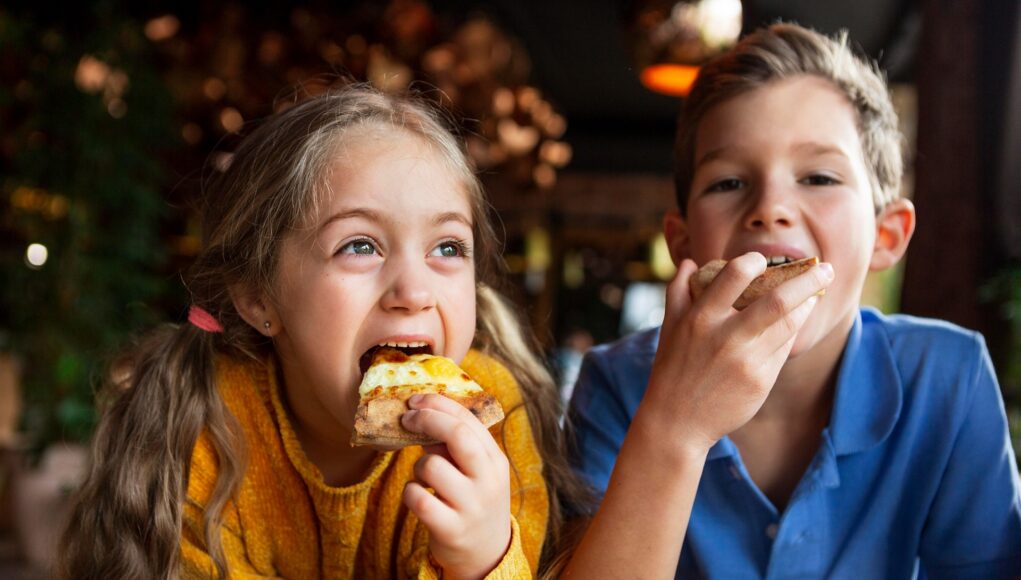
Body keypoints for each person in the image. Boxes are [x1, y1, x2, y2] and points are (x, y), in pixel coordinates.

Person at [59, 84, 586, 578]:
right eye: (359, 245)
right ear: (258, 296)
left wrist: (483, 560)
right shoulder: (200, 429)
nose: (415, 291)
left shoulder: (494, 421)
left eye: (447, 248)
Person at [563, 23, 1021, 578]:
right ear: (682, 242)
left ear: (887, 235)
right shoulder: (615, 385)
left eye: (819, 176)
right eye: (728, 183)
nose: (771, 206)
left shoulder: (950, 375)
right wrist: (676, 425)